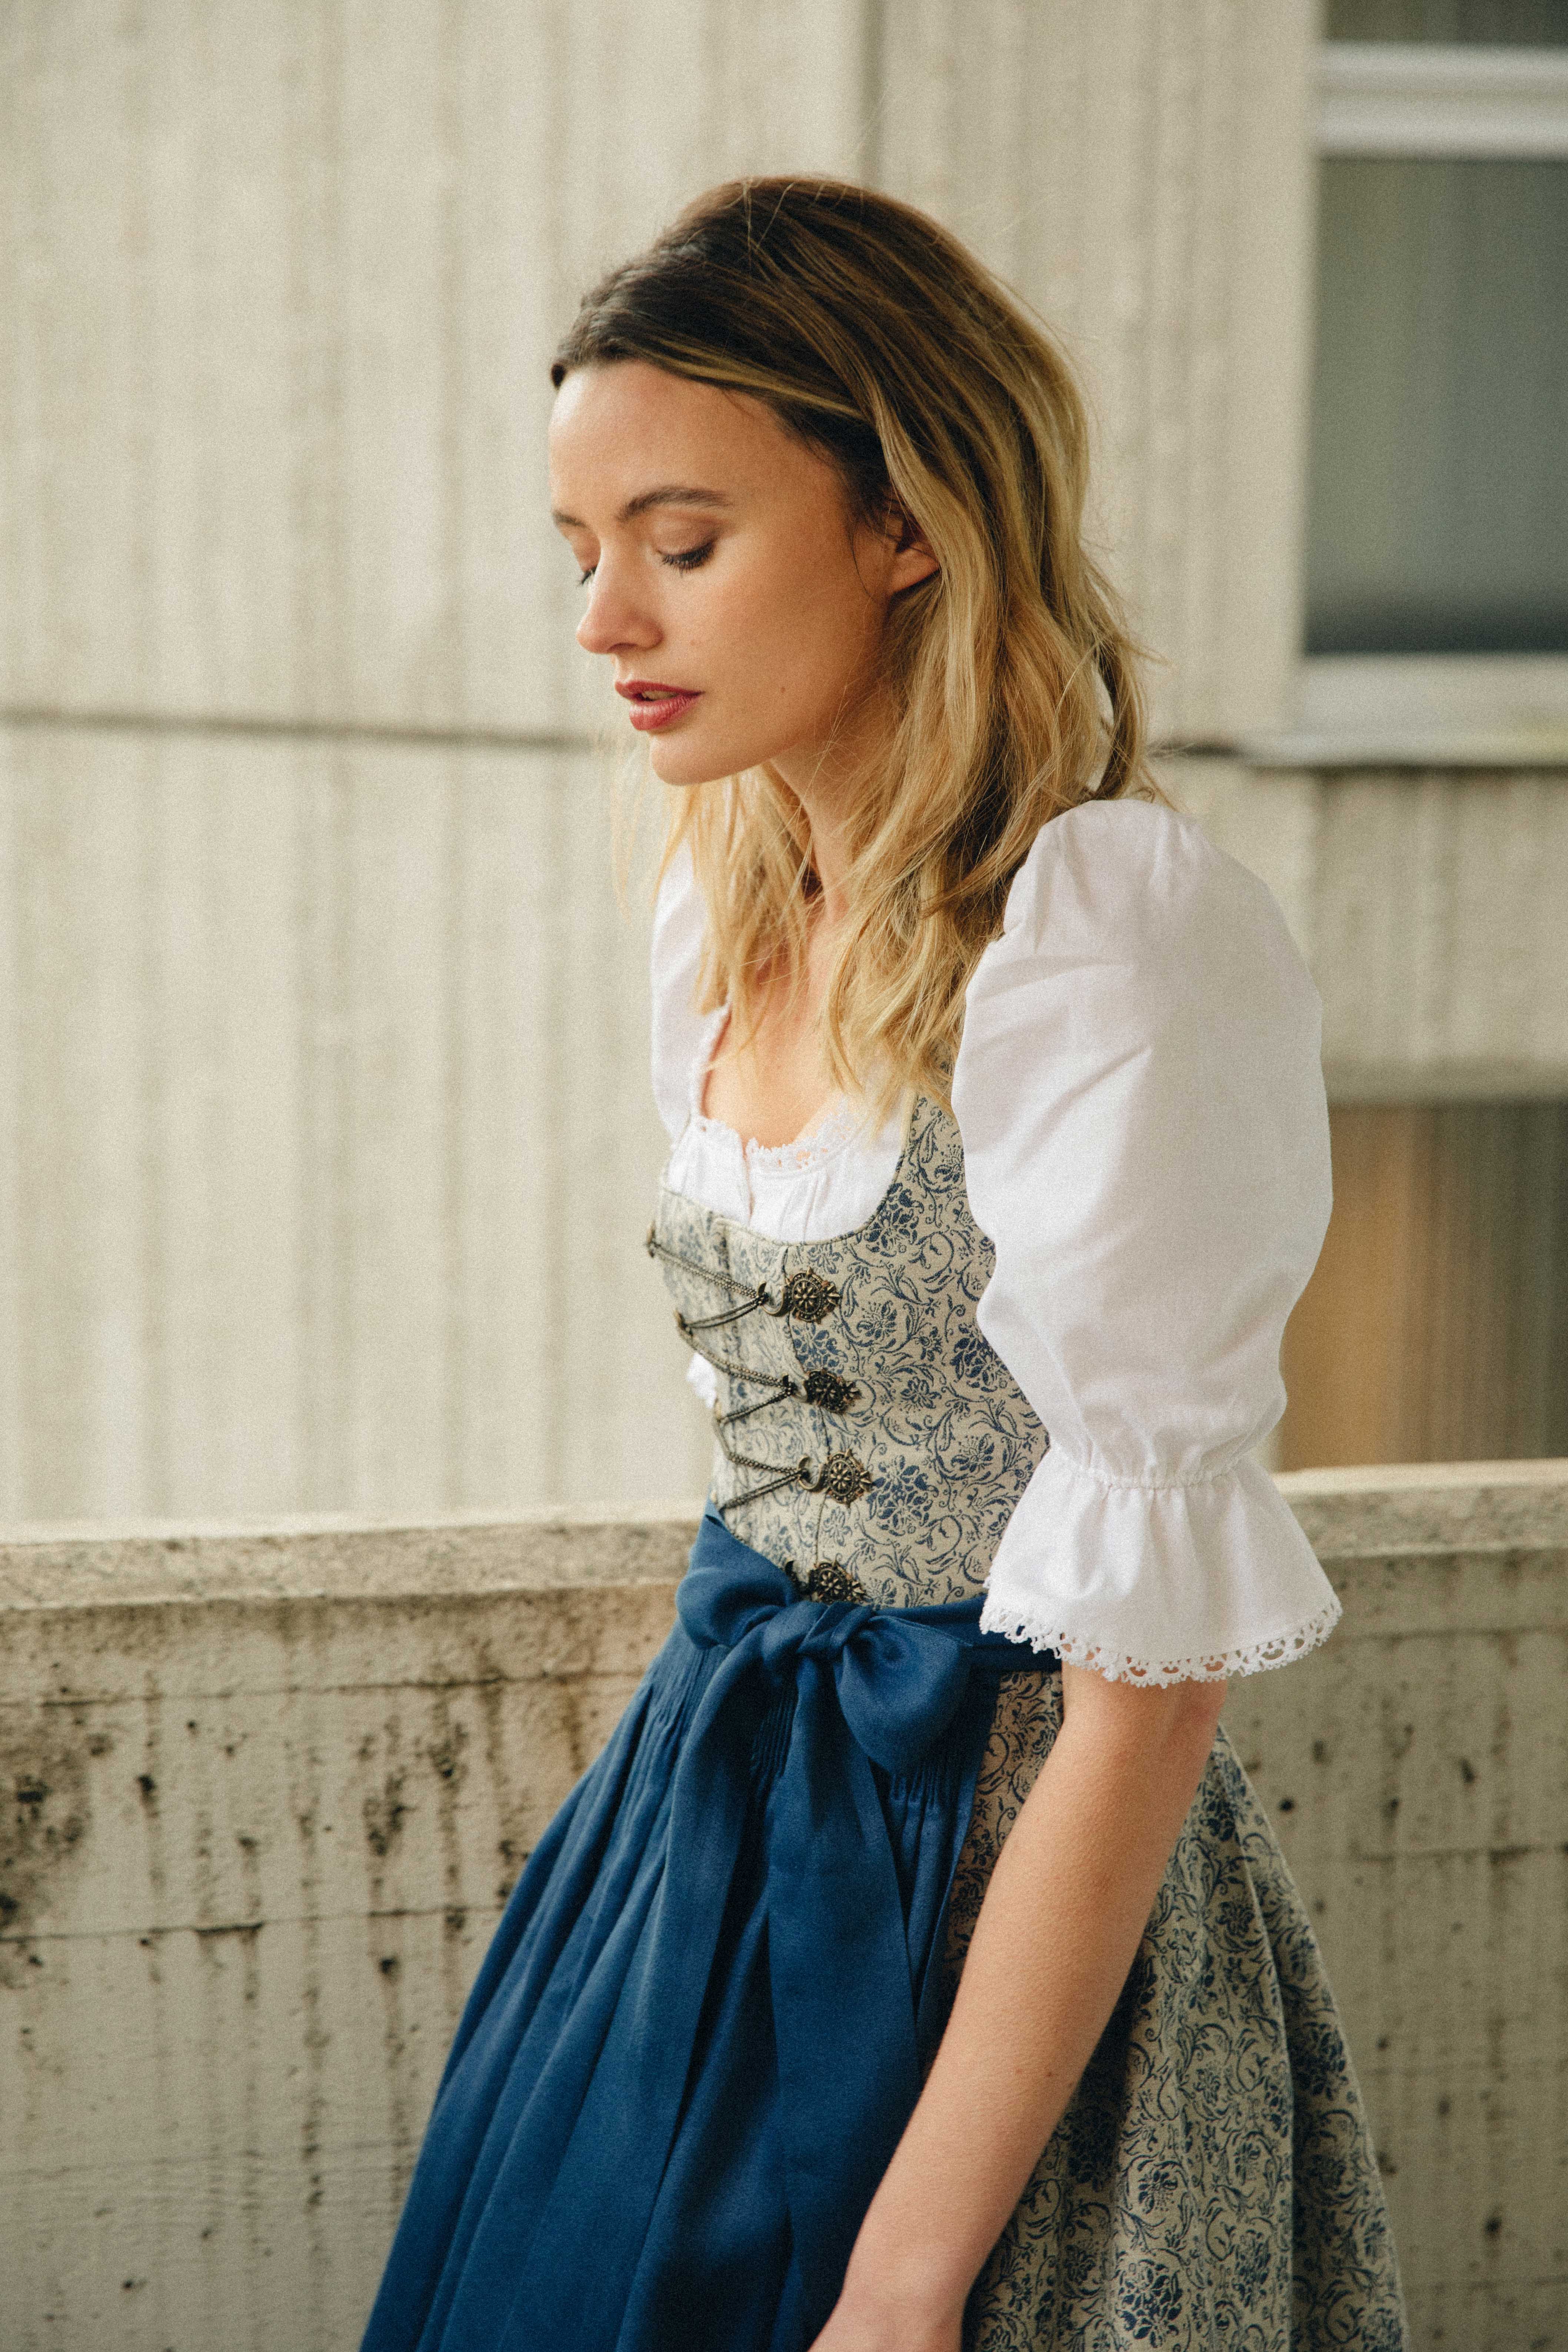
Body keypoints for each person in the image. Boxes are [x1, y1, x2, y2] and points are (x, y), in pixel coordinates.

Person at [362, 177, 1407, 2352]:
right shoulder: (726, 913)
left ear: (906, 518)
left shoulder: (1109, 933)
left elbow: (1150, 1684)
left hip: (1003, 1892)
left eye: (682, 539)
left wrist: (909, 2274)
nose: (605, 623)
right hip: (703, 1838)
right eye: (583, 555)